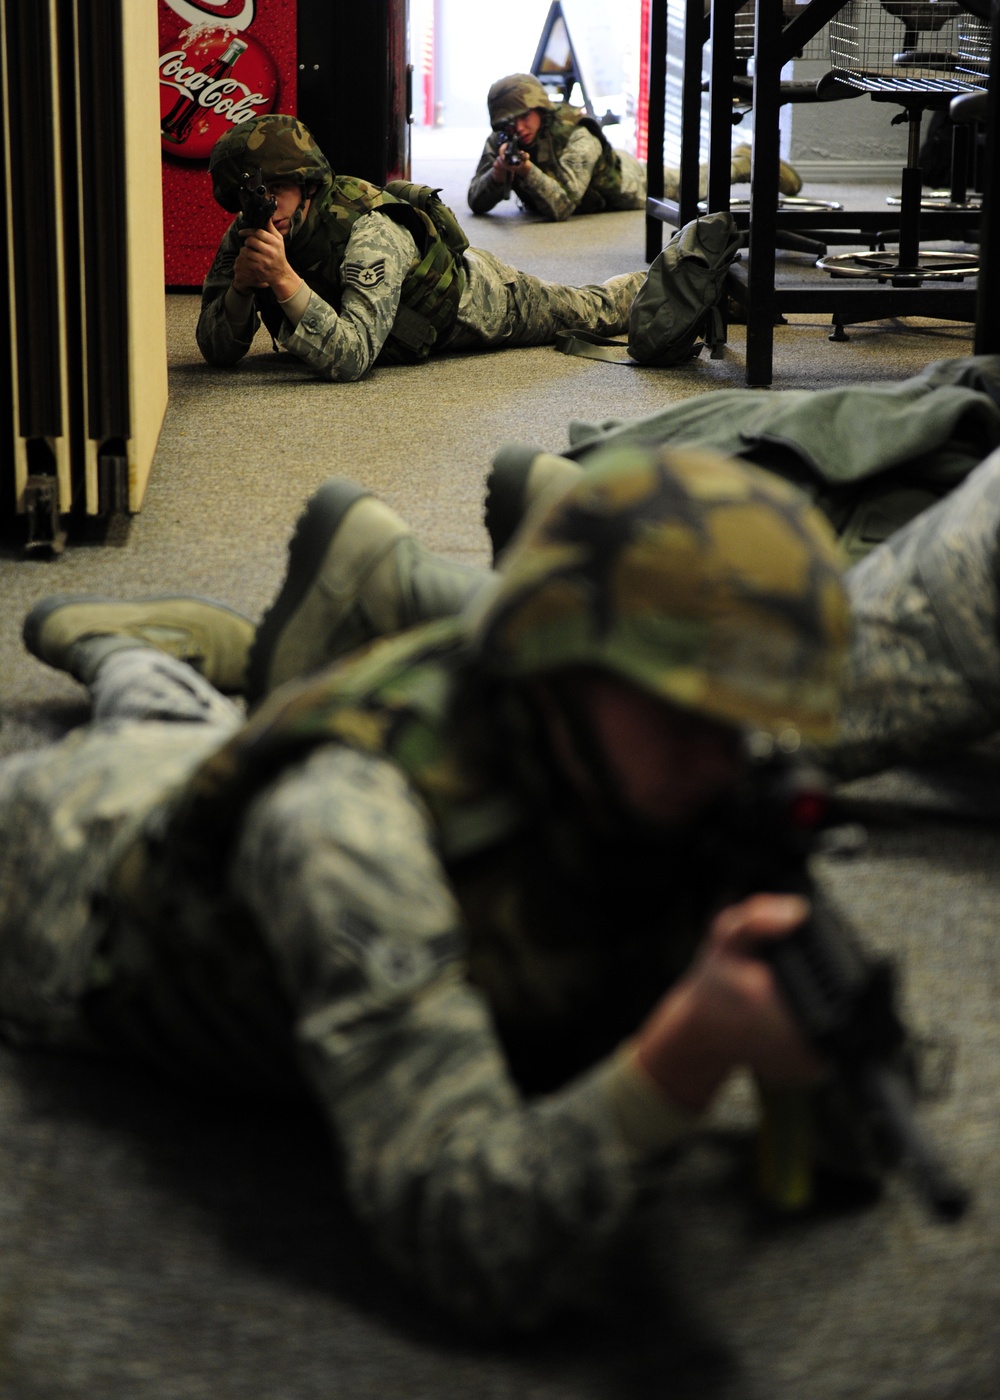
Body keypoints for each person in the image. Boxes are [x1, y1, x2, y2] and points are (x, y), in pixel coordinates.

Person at [8, 445, 849, 1333]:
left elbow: (854, 1136)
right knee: (148, 753)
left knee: (188, 732)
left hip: (235, 792)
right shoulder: (346, 832)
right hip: (67, 876)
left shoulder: (667, 775)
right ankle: (127, 660)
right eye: (682, 715)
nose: (721, 763)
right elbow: (464, 1233)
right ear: (560, 665)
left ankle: (150, 667)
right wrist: (685, 1057)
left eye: (744, 726)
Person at [196, 113, 647, 384]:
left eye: (279, 189)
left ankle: (657, 286)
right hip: (407, 320)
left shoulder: (371, 230)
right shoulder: (251, 231)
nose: (267, 208)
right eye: (252, 197)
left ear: (308, 184)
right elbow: (216, 352)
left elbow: (352, 359)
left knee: (592, 310)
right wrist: (239, 290)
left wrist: (283, 280)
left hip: (483, 300)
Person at [467, 72, 803, 222]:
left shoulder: (576, 134)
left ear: (540, 109)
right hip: (590, 190)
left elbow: (563, 205)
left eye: (525, 117)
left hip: (628, 182)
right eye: (509, 123)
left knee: (694, 184)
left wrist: (524, 171)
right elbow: (475, 202)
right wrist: (497, 176)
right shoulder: (504, 142)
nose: (519, 128)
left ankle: (743, 162)